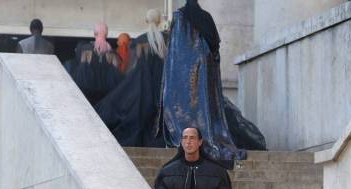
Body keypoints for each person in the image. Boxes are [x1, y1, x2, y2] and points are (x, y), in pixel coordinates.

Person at [155, 0, 248, 162]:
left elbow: (174, 51)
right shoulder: (205, 17)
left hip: (183, 74)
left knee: (185, 106)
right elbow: (214, 46)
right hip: (204, 71)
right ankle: (196, 135)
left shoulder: (179, 17)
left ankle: (188, 135)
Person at [95, 9, 169, 147]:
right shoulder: (166, 39)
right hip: (162, 85)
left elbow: (134, 67)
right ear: (159, 21)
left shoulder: (139, 41)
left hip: (142, 86)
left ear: (146, 21)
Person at [71, 22, 123, 105]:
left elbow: (81, 75)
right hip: (105, 98)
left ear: (94, 33)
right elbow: (116, 79)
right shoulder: (113, 54)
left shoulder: (86, 49)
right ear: (106, 34)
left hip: (88, 96)